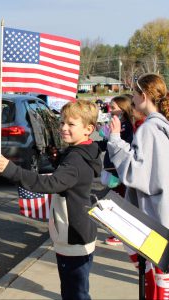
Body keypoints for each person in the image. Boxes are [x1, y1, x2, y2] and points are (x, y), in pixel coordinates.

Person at [0, 100, 102, 300]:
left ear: (89, 129)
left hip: (73, 234)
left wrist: (13, 171)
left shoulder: (76, 160)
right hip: (80, 228)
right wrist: (58, 159)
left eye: (71, 124)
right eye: (62, 122)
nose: (63, 128)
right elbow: (71, 175)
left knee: (75, 293)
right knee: (75, 289)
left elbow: (50, 184)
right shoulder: (83, 151)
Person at [107, 73, 169, 300]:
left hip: (155, 217)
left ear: (144, 96)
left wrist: (114, 139)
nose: (132, 99)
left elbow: (137, 174)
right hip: (163, 212)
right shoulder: (163, 126)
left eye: (134, 93)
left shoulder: (149, 129)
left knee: (156, 287)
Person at [97, 94, 134, 246]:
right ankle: (120, 231)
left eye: (113, 108)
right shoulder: (120, 124)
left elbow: (120, 145)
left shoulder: (127, 127)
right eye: (109, 107)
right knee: (117, 200)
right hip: (113, 168)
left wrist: (113, 134)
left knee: (120, 202)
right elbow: (107, 143)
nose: (110, 111)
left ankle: (122, 233)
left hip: (120, 169)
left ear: (123, 109)